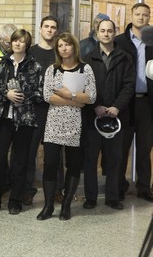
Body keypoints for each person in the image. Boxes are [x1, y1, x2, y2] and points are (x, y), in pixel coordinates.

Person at [37, 32, 96, 221]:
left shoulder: (85, 69)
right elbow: (47, 96)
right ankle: (47, 207)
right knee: (50, 164)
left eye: (67, 45)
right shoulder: (52, 70)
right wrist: (75, 100)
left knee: (73, 165)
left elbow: (91, 97)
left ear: (74, 47)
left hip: (75, 125)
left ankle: (66, 206)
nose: (63, 48)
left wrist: (68, 94)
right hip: (53, 123)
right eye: (60, 45)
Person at [0, 29, 43, 215]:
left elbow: (41, 93)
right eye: (15, 40)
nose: (18, 44)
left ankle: (15, 200)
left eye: (22, 41)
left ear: (27, 44)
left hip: (24, 121)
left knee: (20, 162)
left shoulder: (35, 66)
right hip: (3, 119)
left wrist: (23, 96)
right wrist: (6, 94)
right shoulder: (2, 64)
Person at [83, 19, 135, 210]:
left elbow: (129, 86)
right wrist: (95, 105)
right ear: (97, 33)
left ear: (115, 33)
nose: (106, 34)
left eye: (110, 31)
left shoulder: (125, 57)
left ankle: (112, 197)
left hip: (117, 117)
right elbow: (85, 87)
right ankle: (90, 197)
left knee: (115, 158)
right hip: (93, 117)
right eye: (102, 31)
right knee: (90, 159)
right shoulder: (88, 59)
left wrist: (117, 107)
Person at [20, 15, 61, 206]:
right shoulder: (31, 52)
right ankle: (28, 190)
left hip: (56, 108)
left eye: (53, 27)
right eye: (47, 26)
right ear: (40, 29)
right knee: (29, 151)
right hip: (35, 109)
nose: (50, 30)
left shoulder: (60, 53)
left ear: (56, 31)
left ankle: (56, 191)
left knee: (55, 152)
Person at [115, 3, 153, 202]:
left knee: (145, 148)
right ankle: (120, 186)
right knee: (122, 147)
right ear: (132, 15)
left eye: (145, 15)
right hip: (125, 103)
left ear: (149, 17)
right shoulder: (120, 41)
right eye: (138, 14)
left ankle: (144, 187)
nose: (141, 17)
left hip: (147, 103)